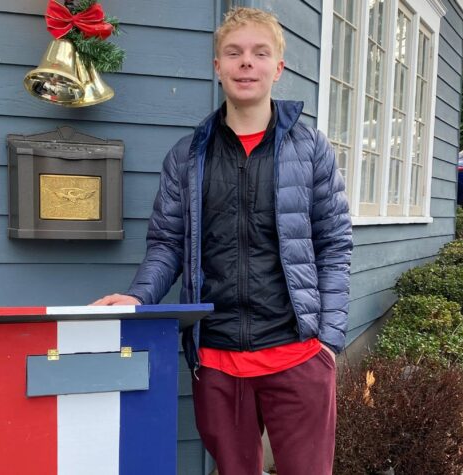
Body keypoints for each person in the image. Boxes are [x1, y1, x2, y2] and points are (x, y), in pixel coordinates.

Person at [93, 7, 352, 474]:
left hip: (298, 355)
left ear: (279, 67)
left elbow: (334, 243)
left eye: (259, 53)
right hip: (216, 359)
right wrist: (137, 296)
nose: (246, 63)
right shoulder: (187, 156)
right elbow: (167, 244)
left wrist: (328, 339)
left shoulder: (311, 149)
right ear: (218, 67)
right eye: (233, 53)